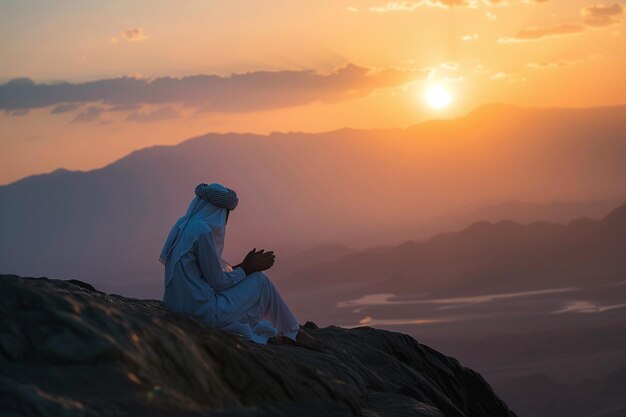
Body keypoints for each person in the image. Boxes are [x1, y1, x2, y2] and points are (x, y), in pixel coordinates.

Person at [159, 183, 320, 349]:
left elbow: (205, 277)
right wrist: (248, 268)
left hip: (178, 307)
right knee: (259, 280)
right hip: (202, 313)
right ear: (220, 212)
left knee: (251, 278)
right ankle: (293, 333)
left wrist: (244, 266)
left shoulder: (183, 225)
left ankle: (288, 332)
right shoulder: (202, 231)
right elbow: (217, 282)